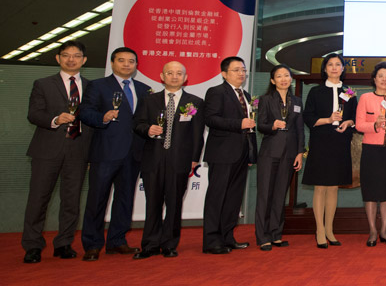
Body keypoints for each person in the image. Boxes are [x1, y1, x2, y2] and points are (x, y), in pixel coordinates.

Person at [22, 41, 93, 264]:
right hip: (47, 150)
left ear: (84, 60)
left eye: (76, 55)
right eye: (66, 55)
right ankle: (33, 246)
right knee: (38, 200)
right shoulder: (43, 84)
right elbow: (34, 114)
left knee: (71, 201)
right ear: (58, 58)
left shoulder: (92, 87)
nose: (71, 59)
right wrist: (55, 119)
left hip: (78, 150)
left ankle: (64, 243)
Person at [79, 47, 150, 261]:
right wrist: (102, 117)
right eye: (121, 60)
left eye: (131, 61)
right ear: (112, 63)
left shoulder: (144, 89)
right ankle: (92, 244)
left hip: (133, 153)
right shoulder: (98, 86)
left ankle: (117, 241)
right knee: (97, 199)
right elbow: (85, 112)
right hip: (106, 151)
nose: (127, 64)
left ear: (136, 65)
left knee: (125, 199)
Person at [131, 61, 205, 259]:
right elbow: (137, 124)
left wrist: (194, 159)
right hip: (153, 159)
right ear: (162, 77)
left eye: (179, 73)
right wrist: (148, 129)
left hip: (180, 160)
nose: (174, 76)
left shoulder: (195, 102)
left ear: (185, 77)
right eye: (170, 73)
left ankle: (169, 244)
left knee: (174, 203)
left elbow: (197, 134)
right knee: (152, 204)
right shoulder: (149, 100)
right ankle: (149, 245)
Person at [202, 56, 257, 254]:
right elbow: (210, 119)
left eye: (243, 70)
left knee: (233, 198)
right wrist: (238, 123)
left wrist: (251, 154)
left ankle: (227, 237)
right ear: (224, 74)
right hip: (222, 153)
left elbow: (250, 126)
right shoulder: (216, 92)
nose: (241, 73)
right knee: (217, 197)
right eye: (236, 70)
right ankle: (211, 241)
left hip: (241, 154)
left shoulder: (246, 95)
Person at [302, 53, 356, 248]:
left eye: (338, 64)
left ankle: (329, 230)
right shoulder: (315, 91)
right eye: (330, 64)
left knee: (333, 187)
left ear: (343, 68)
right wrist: (328, 119)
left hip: (340, 141)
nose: (334, 68)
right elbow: (308, 117)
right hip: (321, 141)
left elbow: (354, 117)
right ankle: (319, 230)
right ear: (325, 69)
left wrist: (348, 122)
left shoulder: (349, 92)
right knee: (320, 187)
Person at [255, 65, 305, 251]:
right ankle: (263, 236)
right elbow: (261, 125)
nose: (283, 79)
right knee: (265, 195)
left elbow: (300, 129)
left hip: (290, 153)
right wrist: (273, 125)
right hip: (269, 153)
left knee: (280, 195)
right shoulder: (266, 99)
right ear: (272, 80)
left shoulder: (297, 101)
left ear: (291, 78)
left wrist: (300, 152)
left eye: (286, 75)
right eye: (279, 76)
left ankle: (276, 234)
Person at [355, 62, 386, 246]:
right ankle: (372, 231)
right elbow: (359, 125)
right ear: (374, 79)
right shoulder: (365, 98)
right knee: (370, 191)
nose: (384, 79)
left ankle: (384, 230)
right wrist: (375, 125)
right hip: (371, 149)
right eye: (381, 76)